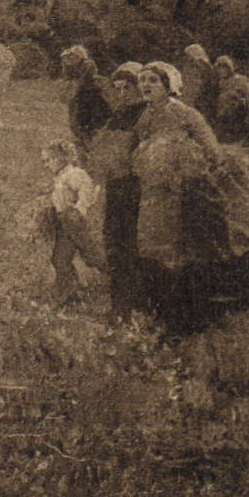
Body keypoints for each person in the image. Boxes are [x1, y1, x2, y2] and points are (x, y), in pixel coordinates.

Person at [130, 61, 249, 334]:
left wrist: (198, 165)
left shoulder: (185, 113)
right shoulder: (144, 117)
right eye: (142, 81)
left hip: (190, 189)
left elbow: (212, 148)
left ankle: (196, 310)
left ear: (168, 86)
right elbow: (139, 147)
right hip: (156, 193)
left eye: (153, 81)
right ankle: (163, 307)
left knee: (192, 248)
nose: (146, 86)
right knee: (158, 248)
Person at [85, 62, 148, 318]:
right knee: (114, 241)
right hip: (117, 185)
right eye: (118, 88)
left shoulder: (146, 113)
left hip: (138, 186)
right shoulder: (117, 115)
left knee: (134, 244)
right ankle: (120, 304)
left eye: (128, 87)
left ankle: (135, 303)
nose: (123, 93)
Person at [40, 138, 106, 302]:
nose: (46, 165)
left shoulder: (74, 174)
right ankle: (68, 293)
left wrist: (78, 210)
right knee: (60, 258)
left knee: (93, 257)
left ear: (61, 158)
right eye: (44, 161)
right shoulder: (61, 176)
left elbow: (86, 192)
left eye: (49, 160)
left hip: (76, 223)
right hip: (65, 224)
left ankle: (120, 277)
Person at [208, 55, 249, 152]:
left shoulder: (239, 80)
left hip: (245, 107)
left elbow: (248, 97)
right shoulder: (222, 82)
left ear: (229, 68)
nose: (221, 71)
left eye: (223, 67)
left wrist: (242, 103)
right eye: (219, 68)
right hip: (231, 110)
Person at [61, 46, 112, 153]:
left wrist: (75, 84)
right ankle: (83, 140)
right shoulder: (70, 66)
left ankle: (92, 141)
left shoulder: (88, 64)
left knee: (93, 118)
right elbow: (67, 79)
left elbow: (84, 79)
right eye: (70, 56)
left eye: (73, 56)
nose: (71, 58)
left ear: (80, 55)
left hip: (92, 94)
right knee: (76, 119)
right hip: (79, 95)